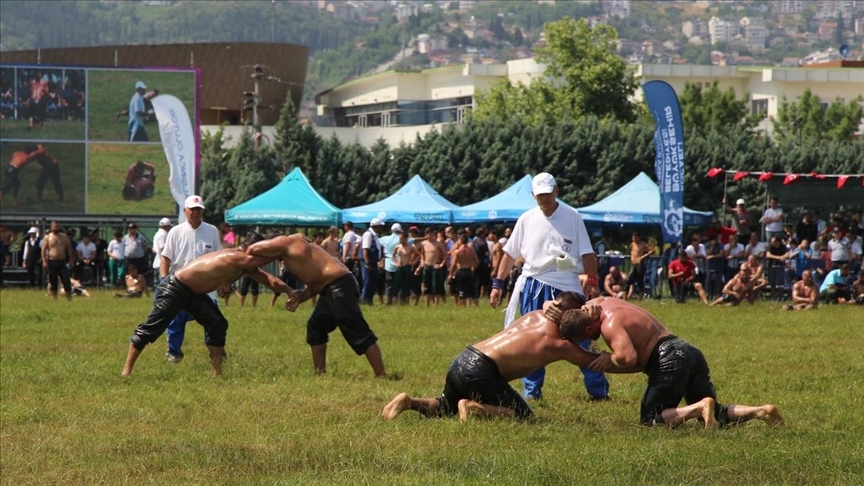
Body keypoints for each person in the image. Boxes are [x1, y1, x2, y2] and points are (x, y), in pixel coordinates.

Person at [558, 298, 784, 428]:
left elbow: (628, 358)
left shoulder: (608, 325)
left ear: (588, 328)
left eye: (583, 338)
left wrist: (609, 358)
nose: (587, 342)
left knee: (650, 420)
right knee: (715, 413)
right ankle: (761, 411)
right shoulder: (601, 302)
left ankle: (698, 407)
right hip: (688, 350)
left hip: (667, 360)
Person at [382, 292, 609, 422]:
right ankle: (473, 408)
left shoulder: (534, 315)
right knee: (523, 416)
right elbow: (595, 362)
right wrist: (635, 361)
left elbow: (553, 305)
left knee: (444, 407)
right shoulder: (560, 344)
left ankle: (408, 402)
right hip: (482, 371)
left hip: (463, 359)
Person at [489, 172, 607, 401]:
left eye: (547, 193)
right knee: (532, 341)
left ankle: (598, 391)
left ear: (556, 191)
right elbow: (509, 254)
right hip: (533, 285)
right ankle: (532, 393)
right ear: (533, 195)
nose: (544, 198)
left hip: (567, 287)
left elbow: (587, 253)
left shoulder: (572, 215)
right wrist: (497, 284)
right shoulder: (526, 218)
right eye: (539, 194)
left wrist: (592, 283)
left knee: (582, 337)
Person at [122, 232, 295, 377]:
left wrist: (290, 291)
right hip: (174, 288)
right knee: (153, 327)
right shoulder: (235, 256)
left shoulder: (246, 263)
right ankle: (126, 372)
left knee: (217, 323)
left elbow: (268, 279)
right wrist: (284, 247)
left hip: (193, 293)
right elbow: (264, 262)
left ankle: (216, 373)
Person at [245, 232, 387, 378]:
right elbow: (316, 284)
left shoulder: (285, 242)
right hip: (333, 286)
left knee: (356, 330)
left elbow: (253, 249)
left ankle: (381, 375)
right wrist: (299, 298)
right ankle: (320, 374)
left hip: (339, 287)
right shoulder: (296, 251)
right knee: (316, 326)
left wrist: (243, 255)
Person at [161, 195, 222, 363]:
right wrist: (163, 280)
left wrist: (223, 282)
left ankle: (216, 354)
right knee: (175, 321)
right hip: (180, 284)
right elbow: (165, 258)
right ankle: (174, 353)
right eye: (192, 209)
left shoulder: (212, 231)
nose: (195, 212)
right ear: (185, 210)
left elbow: (220, 258)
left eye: (199, 209)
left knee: (213, 321)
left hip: (207, 284)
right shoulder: (175, 231)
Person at [41, 221, 75, 301]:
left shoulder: (64, 237)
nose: (56, 228)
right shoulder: (48, 237)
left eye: (57, 226)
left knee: (66, 280)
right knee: (53, 281)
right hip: (52, 262)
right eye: (55, 226)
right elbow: (43, 250)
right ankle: (54, 300)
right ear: (51, 227)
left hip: (62, 262)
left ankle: (69, 299)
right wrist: (44, 261)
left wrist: (71, 259)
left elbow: (69, 248)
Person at [418, 227, 447, 307]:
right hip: (427, 266)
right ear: (426, 235)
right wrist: (422, 261)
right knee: (426, 286)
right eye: (428, 234)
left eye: (431, 234)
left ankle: (436, 305)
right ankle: (426, 305)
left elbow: (445, 254)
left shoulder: (438, 244)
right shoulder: (423, 244)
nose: (430, 236)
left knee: (435, 286)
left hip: (435, 266)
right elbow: (422, 254)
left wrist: (441, 264)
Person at [360, 218, 386, 305]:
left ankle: (369, 301)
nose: (382, 228)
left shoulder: (374, 236)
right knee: (367, 282)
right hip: (368, 263)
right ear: (376, 226)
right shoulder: (368, 235)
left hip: (374, 262)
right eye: (380, 226)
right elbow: (365, 249)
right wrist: (367, 263)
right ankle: (365, 301)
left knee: (372, 282)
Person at [449, 234, 479, 306]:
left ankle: (464, 306)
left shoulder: (458, 251)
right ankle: (476, 305)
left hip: (461, 270)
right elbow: (477, 261)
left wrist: (451, 274)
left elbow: (453, 264)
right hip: (469, 270)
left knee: (462, 289)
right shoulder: (471, 251)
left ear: (460, 241)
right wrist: (473, 268)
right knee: (472, 289)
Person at [392, 232, 419, 305]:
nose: (400, 240)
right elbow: (393, 255)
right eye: (400, 238)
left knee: (406, 285)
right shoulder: (397, 247)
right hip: (399, 267)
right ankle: (394, 303)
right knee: (396, 285)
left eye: (402, 238)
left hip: (407, 267)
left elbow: (418, 255)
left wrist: (413, 263)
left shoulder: (410, 247)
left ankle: (406, 303)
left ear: (406, 239)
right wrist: (395, 262)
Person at [626, 233, 654, 300]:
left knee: (639, 281)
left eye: (635, 237)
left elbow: (652, 250)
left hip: (639, 264)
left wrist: (643, 256)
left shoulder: (643, 244)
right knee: (628, 280)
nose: (634, 239)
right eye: (633, 237)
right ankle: (625, 298)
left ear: (639, 238)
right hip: (633, 263)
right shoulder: (632, 244)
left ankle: (640, 299)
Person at [379, 223, 402, 305]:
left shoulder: (384, 239)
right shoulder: (401, 238)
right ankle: (398, 301)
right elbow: (413, 240)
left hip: (388, 264)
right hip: (399, 263)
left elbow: (376, 242)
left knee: (389, 284)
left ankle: (389, 301)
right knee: (399, 284)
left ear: (392, 230)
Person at [152, 218, 171, 283]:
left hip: (159, 261)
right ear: (167, 226)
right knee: (163, 283)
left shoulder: (157, 233)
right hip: (162, 262)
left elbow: (154, 249)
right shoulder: (163, 234)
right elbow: (163, 248)